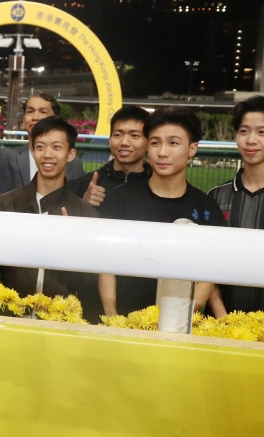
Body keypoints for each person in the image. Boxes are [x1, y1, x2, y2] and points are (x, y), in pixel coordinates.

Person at [99, 106, 226, 316]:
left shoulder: (206, 208)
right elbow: (105, 263)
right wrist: (112, 316)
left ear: (192, 148)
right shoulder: (121, 199)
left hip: (180, 327)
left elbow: (209, 273)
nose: (162, 152)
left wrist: (182, 317)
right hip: (125, 324)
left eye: (173, 143)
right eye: (155, 143)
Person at [0, 116, 102, 319]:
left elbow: (90, 281)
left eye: (57, 147)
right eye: (40, 147)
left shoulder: (85, 215)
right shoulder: (5, 204)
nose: (48, 155)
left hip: (61, 324)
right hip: (8, 319)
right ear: (32, 151)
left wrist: (72, 247)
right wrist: (4, 306)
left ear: (71, 154)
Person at [0, 93, 84, 196]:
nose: (35, 117)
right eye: (30, 111)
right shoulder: (6, 158)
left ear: (55, 119)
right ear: (23, 121)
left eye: (43, 112)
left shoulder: (73, 163)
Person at [207, 95, 264, 315]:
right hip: (222, 322)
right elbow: (205, 264)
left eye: (261, 132)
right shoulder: (216, 196)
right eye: (244, 131)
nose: (251, 140)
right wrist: (224, 320)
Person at [68, 105, 151, 209]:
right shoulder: (82, 185)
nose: (124, 142)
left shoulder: (159, 186)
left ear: (149, 142)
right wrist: (83, 205)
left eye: (135, 135)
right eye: (117, 135)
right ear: (109, 139)